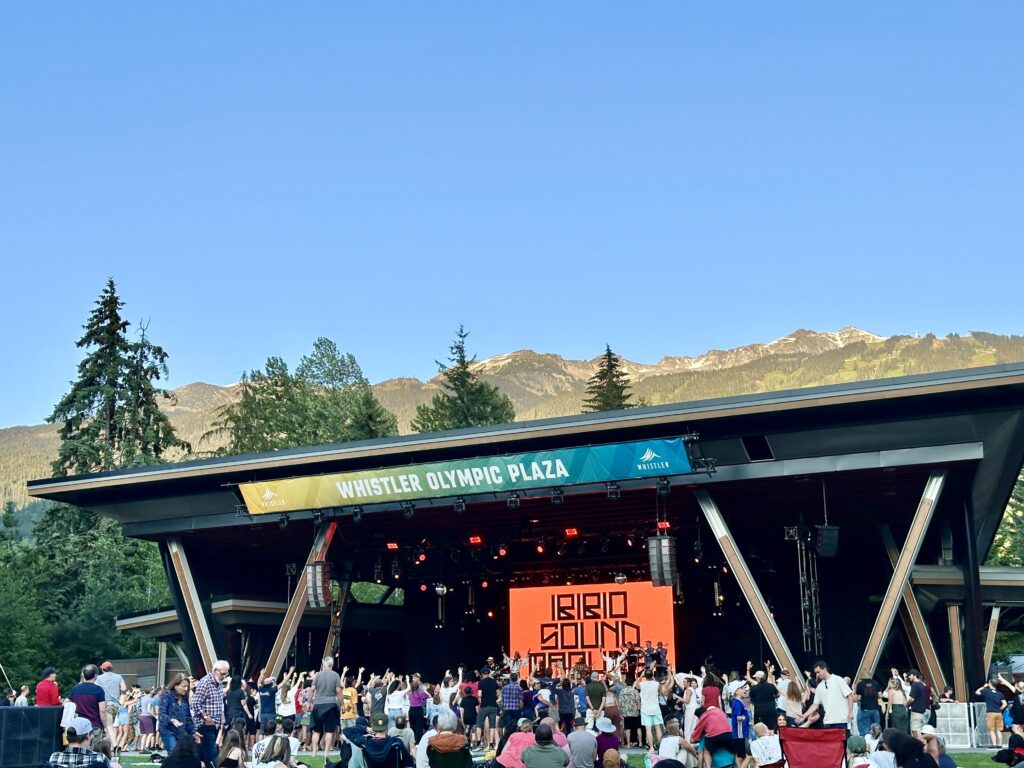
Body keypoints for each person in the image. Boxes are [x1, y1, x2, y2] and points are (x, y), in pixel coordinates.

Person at [192, 660, 230, 768]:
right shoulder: (205, 682)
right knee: (212, 754)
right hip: (204, 724)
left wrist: (221, 717)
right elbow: (195, 703)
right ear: (215, 670)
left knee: (206, 753)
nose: (224, 676)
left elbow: (218, 701)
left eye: (226, 674)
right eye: (222, 673)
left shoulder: (218, 683)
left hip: (215, 723)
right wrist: (205, 716)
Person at [796, 661, 852, 730]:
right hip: (827, 722)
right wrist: (804, 716)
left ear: (824, 669)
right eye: (816, 673)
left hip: (841, 720)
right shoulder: (819, 686)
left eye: (818, 672)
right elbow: (815, 704)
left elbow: (849, 695)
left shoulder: (838, 680)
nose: (817, 674)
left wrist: (850, 713)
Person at [311, 656, 344, 760]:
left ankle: (314, 753)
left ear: (323, 663)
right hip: (330, 704)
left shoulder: (317, 675)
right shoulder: (335, 675)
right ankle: (326, 753)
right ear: (332, 664)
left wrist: (308, 702)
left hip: (318, 704)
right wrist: (342, 704)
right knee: (329, 731)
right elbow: (338, 691)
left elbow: (312, 689)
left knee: (316, 731)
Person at [48, 717, 112, 768]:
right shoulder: (99, 759)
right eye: (91, 733)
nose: (93, 736)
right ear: (87, 735)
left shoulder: (54, 758)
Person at [159, 673, 196, 755]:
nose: (186, 689)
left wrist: (194, 731)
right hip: (168, 730)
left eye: (187, 686)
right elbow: (161, 714)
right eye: (184, 686)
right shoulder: (167, 695)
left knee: (184, 755)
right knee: (174, 753)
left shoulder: (185, 698)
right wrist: (172, 720)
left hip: (181, 731)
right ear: (175, 686)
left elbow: (188, 717)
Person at [69, 664, 108, 733]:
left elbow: (66, 703)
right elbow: (102, 710)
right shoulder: (98, 690)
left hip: (79, 726)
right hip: (94, 726)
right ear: (96, 675)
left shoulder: (75, 688)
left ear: (83, 675)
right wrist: (105, 726)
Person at [635, 669, 668, 749]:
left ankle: (651, 747)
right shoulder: (657, 684)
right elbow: (661, 691)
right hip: (656, 708)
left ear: (645, 676)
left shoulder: (642, 684)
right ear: (652, 675)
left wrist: (641, 676)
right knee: (657, 728)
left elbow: (636, 685)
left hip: (645, 709)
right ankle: (660, 747)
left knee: (648, 729)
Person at [96, 662, 127, 746]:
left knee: (108, 727)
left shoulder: (99, 678)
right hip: (116, 705)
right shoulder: (118, 677)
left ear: (102, 669)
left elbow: (95, 689)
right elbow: (124, 688)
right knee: (110, 727)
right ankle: (107, 747)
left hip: (105, 705)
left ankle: (114, 746)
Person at [976, 677, 1007, 748]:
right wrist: (1000, 709)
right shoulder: (1000, 693)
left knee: (991, 729)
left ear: (990, 683)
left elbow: (977, 692)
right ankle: (1000, 745)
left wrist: (983, 686)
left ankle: (994, 744)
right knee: (999, 730)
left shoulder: (986, 691)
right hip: (999, 713)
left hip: (990, 713)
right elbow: (1004, 703)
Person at [478, 668, 500, 751]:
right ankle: (493, 744)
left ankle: (489, 745)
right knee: (493, 726)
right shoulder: (494, 682)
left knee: (486, 726)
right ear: (489, 673)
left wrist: (480, 699)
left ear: (482, 674)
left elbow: (479, 694)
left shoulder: (481, 682)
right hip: (493, 706)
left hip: (485, 706)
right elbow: (498, 693)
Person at [855, 672, 882, 737]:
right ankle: (876, 743)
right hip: (875, 708)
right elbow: (880, 695)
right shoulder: (875, 683)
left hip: (865, 709)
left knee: (865, 729)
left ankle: (867, 744)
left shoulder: (860, 684)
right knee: (876, 728)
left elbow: (858, 698)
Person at [618, 678, 641, 748]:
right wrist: (639, 708)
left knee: (628, 728)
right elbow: (638, 701)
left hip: (626, 712)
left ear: (625, 683)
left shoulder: (622, 691)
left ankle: (628, 744)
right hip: (635, 712)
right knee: (638, 728)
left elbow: (620, 703)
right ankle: (640, 743)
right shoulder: (635, 691)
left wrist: (621, 711)